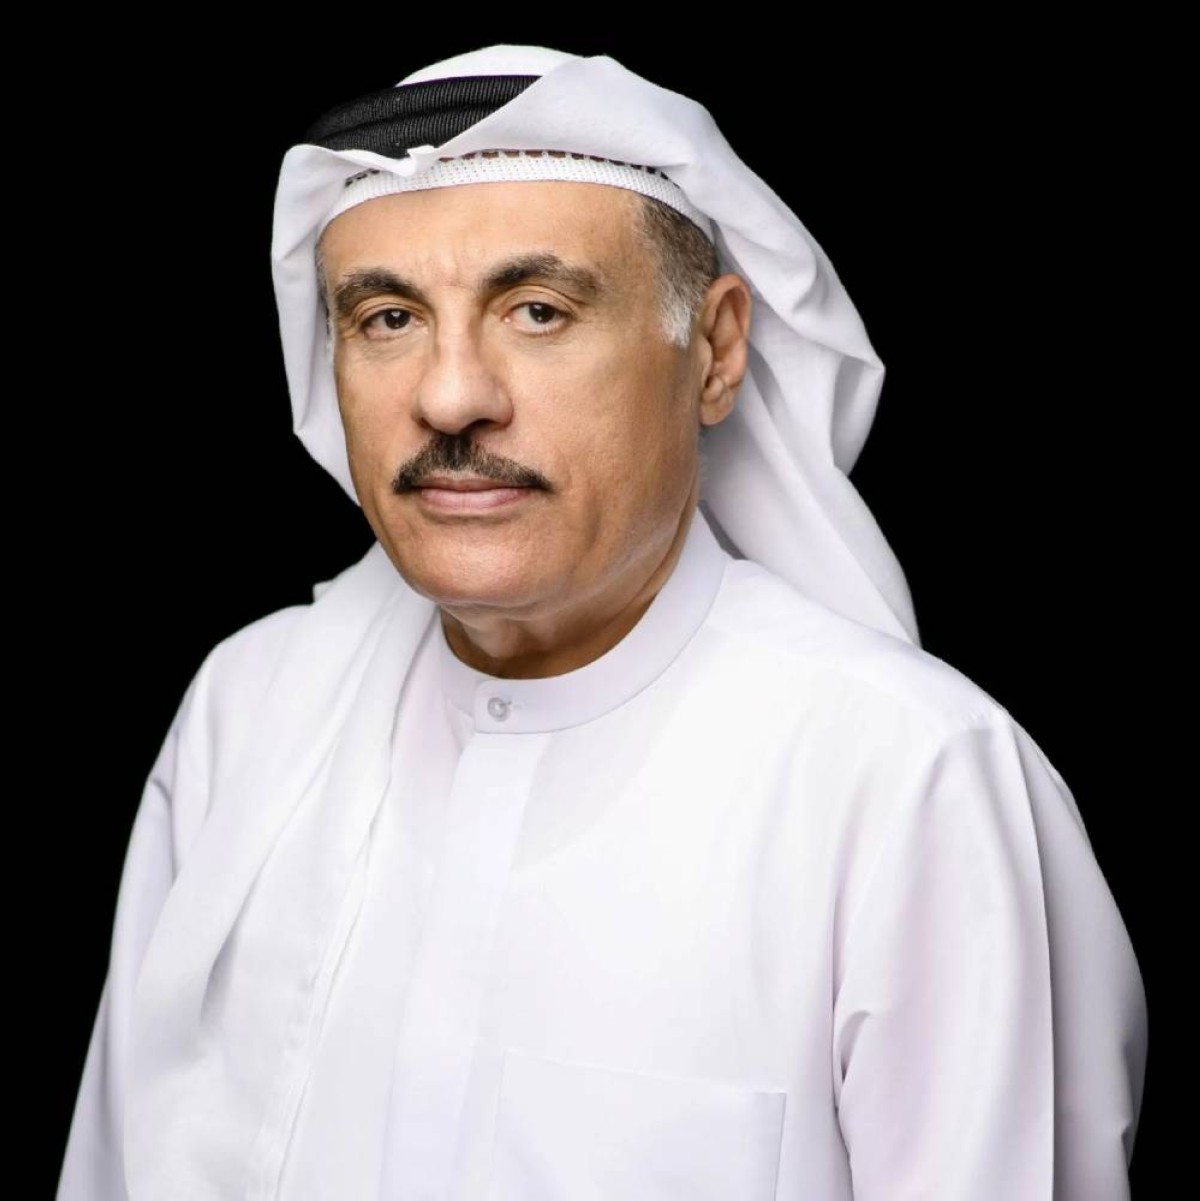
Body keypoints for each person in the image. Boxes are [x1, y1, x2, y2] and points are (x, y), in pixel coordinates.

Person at [59, 44, 1147, 1200]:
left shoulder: (908, 779)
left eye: (537, 310)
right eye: (388, 317)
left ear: (715, 351)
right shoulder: (246, 712)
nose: (450, 395)